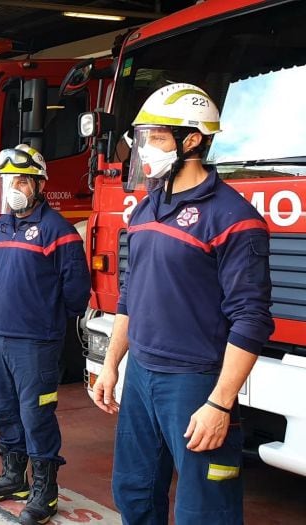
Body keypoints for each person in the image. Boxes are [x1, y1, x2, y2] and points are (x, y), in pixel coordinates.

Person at [92, 83, 274, 524]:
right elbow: (131, 295)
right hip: (141, 377)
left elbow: (251, 318)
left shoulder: (234, 218)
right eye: (142, 138)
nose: (144, 148)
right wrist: (112, 364)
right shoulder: (146, 209)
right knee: (133, 492)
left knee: (204, 509)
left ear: (191, 139)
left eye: (155, 137)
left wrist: (219, 404)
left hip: (195, 382)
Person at [0, 144, 90, 525]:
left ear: (40, 184)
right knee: (1, 410)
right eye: (9, 180)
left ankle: (44, 491)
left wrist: (46, 320)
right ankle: (13, 477)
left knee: (36, 415)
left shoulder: (59, 231)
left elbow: (76, 292)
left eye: (22, 179)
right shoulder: (0, 225)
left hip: (35, 343)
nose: (14, 186)